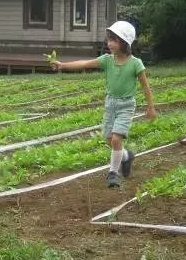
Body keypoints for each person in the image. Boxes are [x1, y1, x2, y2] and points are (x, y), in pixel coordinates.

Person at [52, 21, 157, 188]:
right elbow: (84, 64)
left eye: (114, 40)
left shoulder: (135, 63)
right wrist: (62, 65)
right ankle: (126, 156)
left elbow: (145, 86)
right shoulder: (107, 60)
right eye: (109, 40)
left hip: (126, 105)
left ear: (124, 42)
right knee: (110, 140)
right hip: (111, 104)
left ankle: (113, 173)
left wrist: (150, 107)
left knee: (116, 139)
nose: (109, 44)